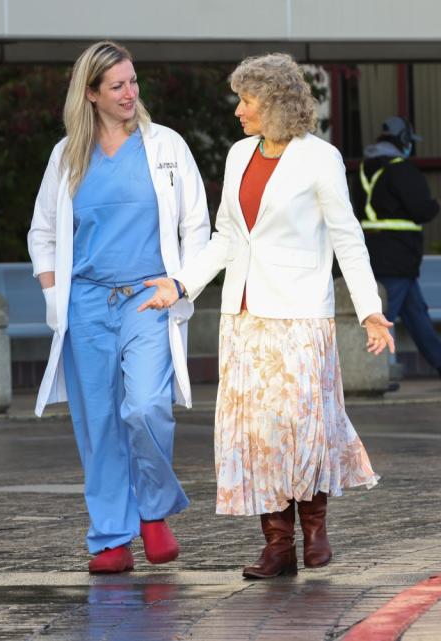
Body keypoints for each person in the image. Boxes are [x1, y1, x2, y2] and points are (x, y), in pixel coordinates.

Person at [141, 53, 393, 579]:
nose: (238, 110)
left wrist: (370, 310)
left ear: (275, 103)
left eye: (247, 100)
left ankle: (314, 528)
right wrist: (182, 283)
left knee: (303, 427)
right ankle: (277, 546)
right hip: (245, 316)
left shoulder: (319, 159)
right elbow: (227, 238)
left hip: (301, 314)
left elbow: (348, 238)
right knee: (257, 434)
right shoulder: (237, 155)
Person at [27, 41, 210, 574]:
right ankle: (111, 536)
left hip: (148, 297)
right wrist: (51, 295)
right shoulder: (66, 156)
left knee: (146, 407)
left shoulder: (167, 146)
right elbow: (43, 233)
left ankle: (153, 510)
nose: (130, 93)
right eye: (117, 86)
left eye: (133, 82)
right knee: (100, 422)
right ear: (90, 94)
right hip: (85, 302)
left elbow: (196, 224)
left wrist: (181, 283)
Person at [355, 116, 441, 384]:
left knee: (415, 311)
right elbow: (421, 209)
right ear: (404, 140)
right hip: (398, 255)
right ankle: (364, 374)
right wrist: (435, 205)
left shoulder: (364, 169)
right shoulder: (401, 168)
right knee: (382, 318)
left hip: (374, 250)